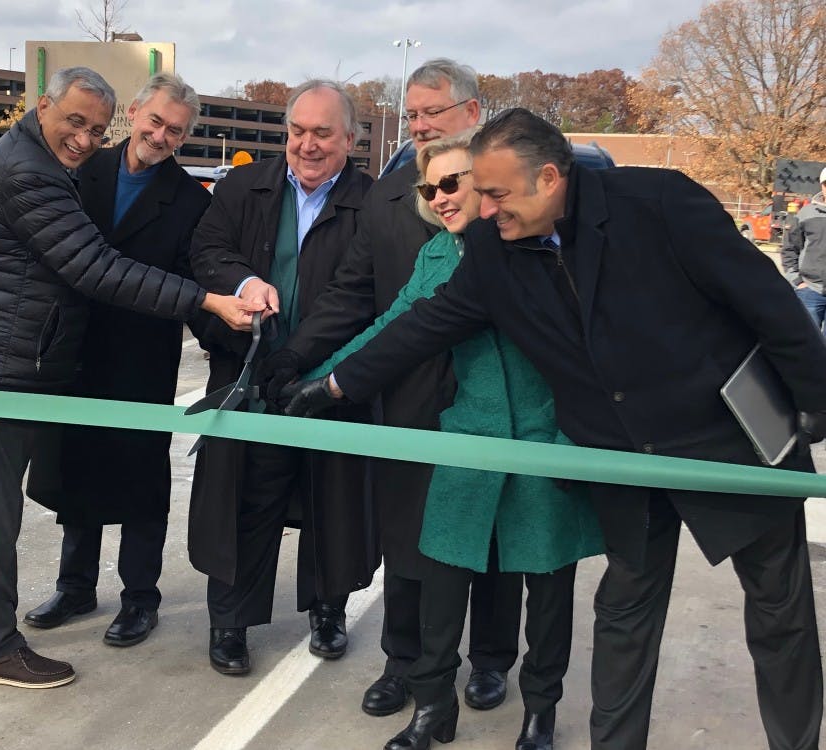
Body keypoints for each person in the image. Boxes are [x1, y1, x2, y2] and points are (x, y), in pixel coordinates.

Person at [286, 108, 826, 750]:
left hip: (730, 441)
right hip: (621, 457)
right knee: (624, 617)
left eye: (494, 193)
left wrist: (813, 399)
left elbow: (766, 300)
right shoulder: (493, 249)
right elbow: (424, 324)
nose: (482, 210)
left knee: (778, 615)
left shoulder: (659, 204)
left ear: (548, 178)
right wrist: (332, 386)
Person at [0, 66, 260, 689]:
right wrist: (208, 303)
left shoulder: (64, 166)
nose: (83, 137)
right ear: (43, 105)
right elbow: (94, 265)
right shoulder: (35, 172)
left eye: (93, 128)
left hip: (61, 358)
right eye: (75, 121)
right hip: (9, 362)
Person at [298, 132, 604, 750]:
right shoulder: (438, 257)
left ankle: (540, 714)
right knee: (440, 578)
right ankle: (433, 708)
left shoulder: (542, 247)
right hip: (467, 438)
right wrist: (313, 379)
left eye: (453, 182)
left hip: (547, 442)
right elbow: (395, 327)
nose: (440, 198)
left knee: (548, 589)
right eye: (428, 188)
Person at [259, 59, 524, 719]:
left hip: (500, 408)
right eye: (411, 114)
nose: (421, 124)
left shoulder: (507, 194)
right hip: (405, 399)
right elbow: (355, 296)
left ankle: (491, 661)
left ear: (472, 112)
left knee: (495, 544)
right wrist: (297, 361)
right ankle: (404, 664)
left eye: (433, 111)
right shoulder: (388, 195)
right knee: (408, 542)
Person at [187, 79, 377, 676]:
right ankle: (231, 621)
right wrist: (243, 284)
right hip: (250, 377)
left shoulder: (372, 203)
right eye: (298, 131)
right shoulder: (244, 186)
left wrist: (304, 357)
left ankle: (328, 609)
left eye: (323, 133)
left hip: (330, 383)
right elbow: (208, 250)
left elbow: (360, 294)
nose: (308, 144)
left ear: (350, 137)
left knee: (331, 500)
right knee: (247, 498)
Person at [22, 73, 212, 648]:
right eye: (155, 121)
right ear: (134, 112)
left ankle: (140, 597)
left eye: (175, 131)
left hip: (141, 359)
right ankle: (76, 585)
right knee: (76, 470)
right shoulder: (80, 171)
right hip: (76, 351)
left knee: (139, 482)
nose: (160, 136)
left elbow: (193, 279)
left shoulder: (189, 201)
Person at [782, 166, 826, 333]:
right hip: (810, 291)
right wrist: (797, 281)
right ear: (822, 186)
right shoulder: (806, 214)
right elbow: (789, 248)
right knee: (809, 344)